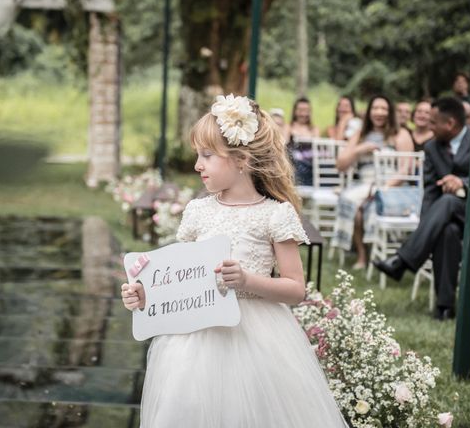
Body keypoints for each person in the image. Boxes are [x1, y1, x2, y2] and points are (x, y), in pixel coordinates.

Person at [121, 94, 347, 427]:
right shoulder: (199, 211)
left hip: (258, 336)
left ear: (241, 160)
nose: (198, 164)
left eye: (208, 155)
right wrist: (144, 295)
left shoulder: (274, 215)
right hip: (195, 338)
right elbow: (177, 279)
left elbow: (296, 289)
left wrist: (247, 281)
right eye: (199, 154)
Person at [374, 97, 470, 321]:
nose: (428, 127)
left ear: (450, 124)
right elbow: (430, 193)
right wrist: (429, 226)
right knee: (447, 232)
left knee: (447, 201)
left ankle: (402, 260)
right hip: (450, 218)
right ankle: (445, 307)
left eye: (433, 122)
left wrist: (464, 183)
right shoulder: (432, 147)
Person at [331, 95, 414, 270]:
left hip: (392, 185)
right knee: (351, 202)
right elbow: (341, 164)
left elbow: (405, 170)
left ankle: (378, 254)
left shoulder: (400, 134)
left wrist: (386, 187)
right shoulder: (360, 134)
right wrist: (361, 148)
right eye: (375, 108)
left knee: (363, 207)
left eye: (384, 109)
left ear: (390, 112)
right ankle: (362, 255)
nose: (379, 112)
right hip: (365, 184)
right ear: (369, 112)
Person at [285, 97, 320, 185]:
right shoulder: (289, 127)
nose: (303, 114)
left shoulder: (314, 129)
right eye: (300, 110)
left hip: (311, 165)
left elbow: (317, 146)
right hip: (295, 164)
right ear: (295, 111)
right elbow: (284, 144)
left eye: (306, 110)